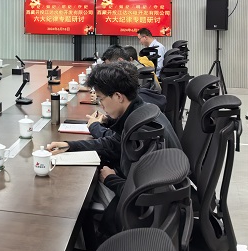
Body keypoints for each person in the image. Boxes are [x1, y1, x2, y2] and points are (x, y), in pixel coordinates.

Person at [47, 62, 179, 193]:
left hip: (149, 200)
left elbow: (146, 193)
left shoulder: (142, 128)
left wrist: (111, 179)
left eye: (101, 99)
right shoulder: (140, 111)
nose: (101, 105)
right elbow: (113, 144)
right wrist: (70, 146)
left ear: (118, 96)